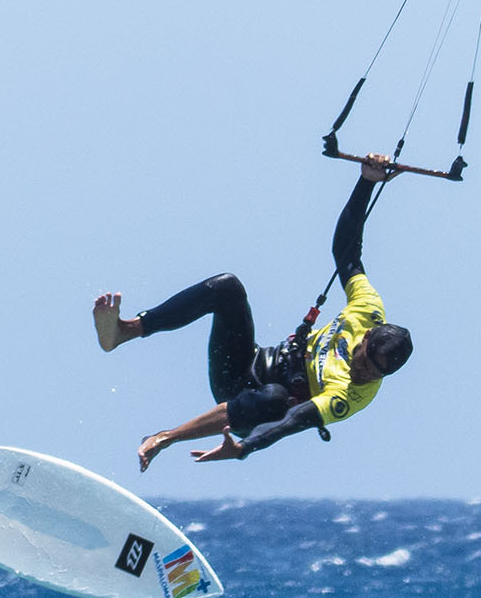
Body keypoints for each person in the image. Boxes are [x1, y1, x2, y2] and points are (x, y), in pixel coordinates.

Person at [93, 154, 414, 471]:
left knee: (277, 398)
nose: (364, 373)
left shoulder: (352, 396)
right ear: (368, 335)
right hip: (246, 362)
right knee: (227, 287)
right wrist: (366, 183)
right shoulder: (367, 308)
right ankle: (126, 330)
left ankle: (164, 437)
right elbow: (345, 248)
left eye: (376, 374)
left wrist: (245, 447)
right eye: (364, 361)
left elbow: (292, 421)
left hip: (250, 402)